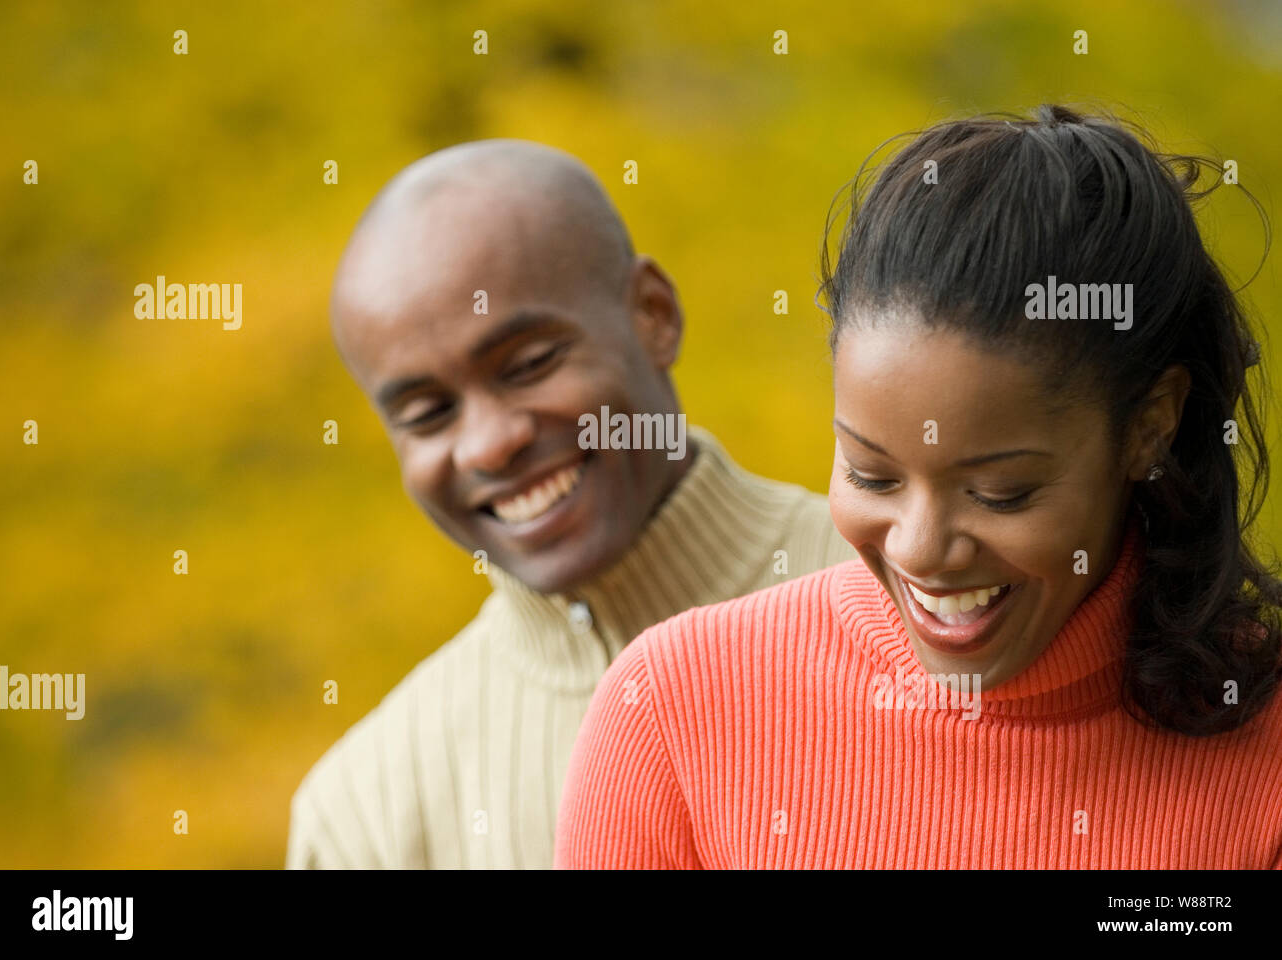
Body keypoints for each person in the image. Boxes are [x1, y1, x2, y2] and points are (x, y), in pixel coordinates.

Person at [554, 105, 1282, 869]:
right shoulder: (675, 708)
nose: (921, 549)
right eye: (872, 475)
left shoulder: (1259, 749)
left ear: (1150, 426)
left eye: (1001, 492)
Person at [285, 139, 856, 868]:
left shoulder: (940, 606)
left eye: (528, 365)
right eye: (428, 414)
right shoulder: (366, 815)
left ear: (655, 315)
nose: (490, 445)